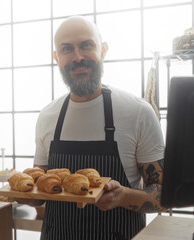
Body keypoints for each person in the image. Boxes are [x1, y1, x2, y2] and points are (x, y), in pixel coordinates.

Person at [23, 16, 166, 240]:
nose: (78, 57)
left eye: (86, 45)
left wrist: (123, 196)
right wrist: (24, 195)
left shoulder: (138, 112)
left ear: (103, 50)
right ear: (56, 58)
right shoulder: (47, 116)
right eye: (67, 49)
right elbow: (40, 191)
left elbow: (163, 196)